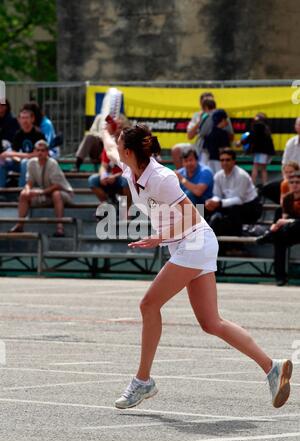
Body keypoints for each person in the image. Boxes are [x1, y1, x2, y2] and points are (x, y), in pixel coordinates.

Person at [101, 124, 292, 410]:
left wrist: (158, 238)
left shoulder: (162, 178)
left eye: (119, 145)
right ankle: (272, 367)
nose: (116, 150)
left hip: (194, 241)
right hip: (187, 245)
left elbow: (191, 217)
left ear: (129, 151)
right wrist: (106, 129)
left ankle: (143, 381)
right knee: (211, 322)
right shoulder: (131, 169)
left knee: (148, 305)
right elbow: (108, 146)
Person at [9, 140, 74, 237]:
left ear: (47, 152)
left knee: (56, 194)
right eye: (38, 150)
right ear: (34, 151)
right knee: (23, 194)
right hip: (45, 194)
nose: (40, 152)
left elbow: (57, 185)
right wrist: (27, 190)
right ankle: (20, 224)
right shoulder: (31, 163)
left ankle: (60, 227)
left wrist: (41, 192)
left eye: (42, 150)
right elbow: (29, 182)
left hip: (63, 193)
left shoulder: (52, 163)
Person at [205, 149, 262, 236]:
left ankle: (236, 245)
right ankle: (199, 238)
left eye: (228, 160)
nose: (224, 162)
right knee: (201, 206)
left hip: (250, 207)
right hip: (229, 205)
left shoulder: (242, 175)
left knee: (233, 210)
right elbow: (217, 195)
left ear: (234, 161)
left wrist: (219, 203)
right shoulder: (218, 176)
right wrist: (212, 202)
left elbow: (239, 200)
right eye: (222, 160)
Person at [257, 171, 300, 286]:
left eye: (298, 182)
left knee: (293, 225)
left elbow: (286, 220)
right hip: (292, 230)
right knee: (279, 238)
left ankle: (269, 235)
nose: (295, 185)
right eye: (292, 182)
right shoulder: (287, 198)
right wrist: (279, 226)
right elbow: (284, 217)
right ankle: (280, 277)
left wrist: (287, 222)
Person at [88, 117, 130, 205]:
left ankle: (126, 212)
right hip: (111, 177)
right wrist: (104, 175)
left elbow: (131, 169)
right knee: (93, 180)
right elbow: (103, 166)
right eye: (115, 127)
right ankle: (108, 204)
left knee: (126, 180)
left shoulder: (129, 145)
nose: (117, 130)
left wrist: (114, 176)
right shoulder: (109, 144)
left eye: (120, 127)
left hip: (124, 177)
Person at [0, 109, 45, 188]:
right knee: (2, 162)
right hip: (20, 161)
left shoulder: (38, 134)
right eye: (22, 118)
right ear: (19, 120)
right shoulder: (18, 134)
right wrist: (21, 156)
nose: (25, 121)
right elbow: (13, 153)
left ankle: (21, 191)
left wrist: (20, 156)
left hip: (36, 164)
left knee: (25, 163)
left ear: (32, 119)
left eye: (27, 118)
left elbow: (39, 154)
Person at [241, 113, 275, 185]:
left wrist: (241, 142)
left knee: (256, 167)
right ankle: (265, 184)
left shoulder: (258, 126)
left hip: (260, 151)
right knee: (263, 168)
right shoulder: (266, 127)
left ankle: (252, 184)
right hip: (266, 151)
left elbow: (251, 137)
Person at [203, 109, 231, 174]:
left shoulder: (209, 133)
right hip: (220, 162)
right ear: (223, 120)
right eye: (226, 119)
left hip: (209, 161)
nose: (227, 122)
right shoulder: (223, 134)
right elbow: (224, 150)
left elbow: (205, 149)